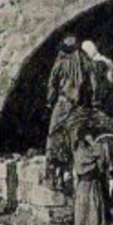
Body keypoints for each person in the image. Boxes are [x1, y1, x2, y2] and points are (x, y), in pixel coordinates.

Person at [45, 35, 91, 189]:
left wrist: (50, 101)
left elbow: (52, 86)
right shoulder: (85, 62)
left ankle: (55, 174)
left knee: (55, 134)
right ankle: (72, 174)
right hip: (80, 107)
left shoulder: (61, 62)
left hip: (64, 105)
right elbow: (94, 86)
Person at [72, 120, 113, 225]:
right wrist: (93, 142)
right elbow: (100, 158)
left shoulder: (86, 149)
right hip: (87, 184)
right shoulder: (81, 151)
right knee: (88, 210)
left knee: (93, 210)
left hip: (90, 184)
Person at [82, 40, 113, 119]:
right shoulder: (106, 61)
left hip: (103, 97)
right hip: (110, 96)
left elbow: (96, 84)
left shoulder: (95, 64)